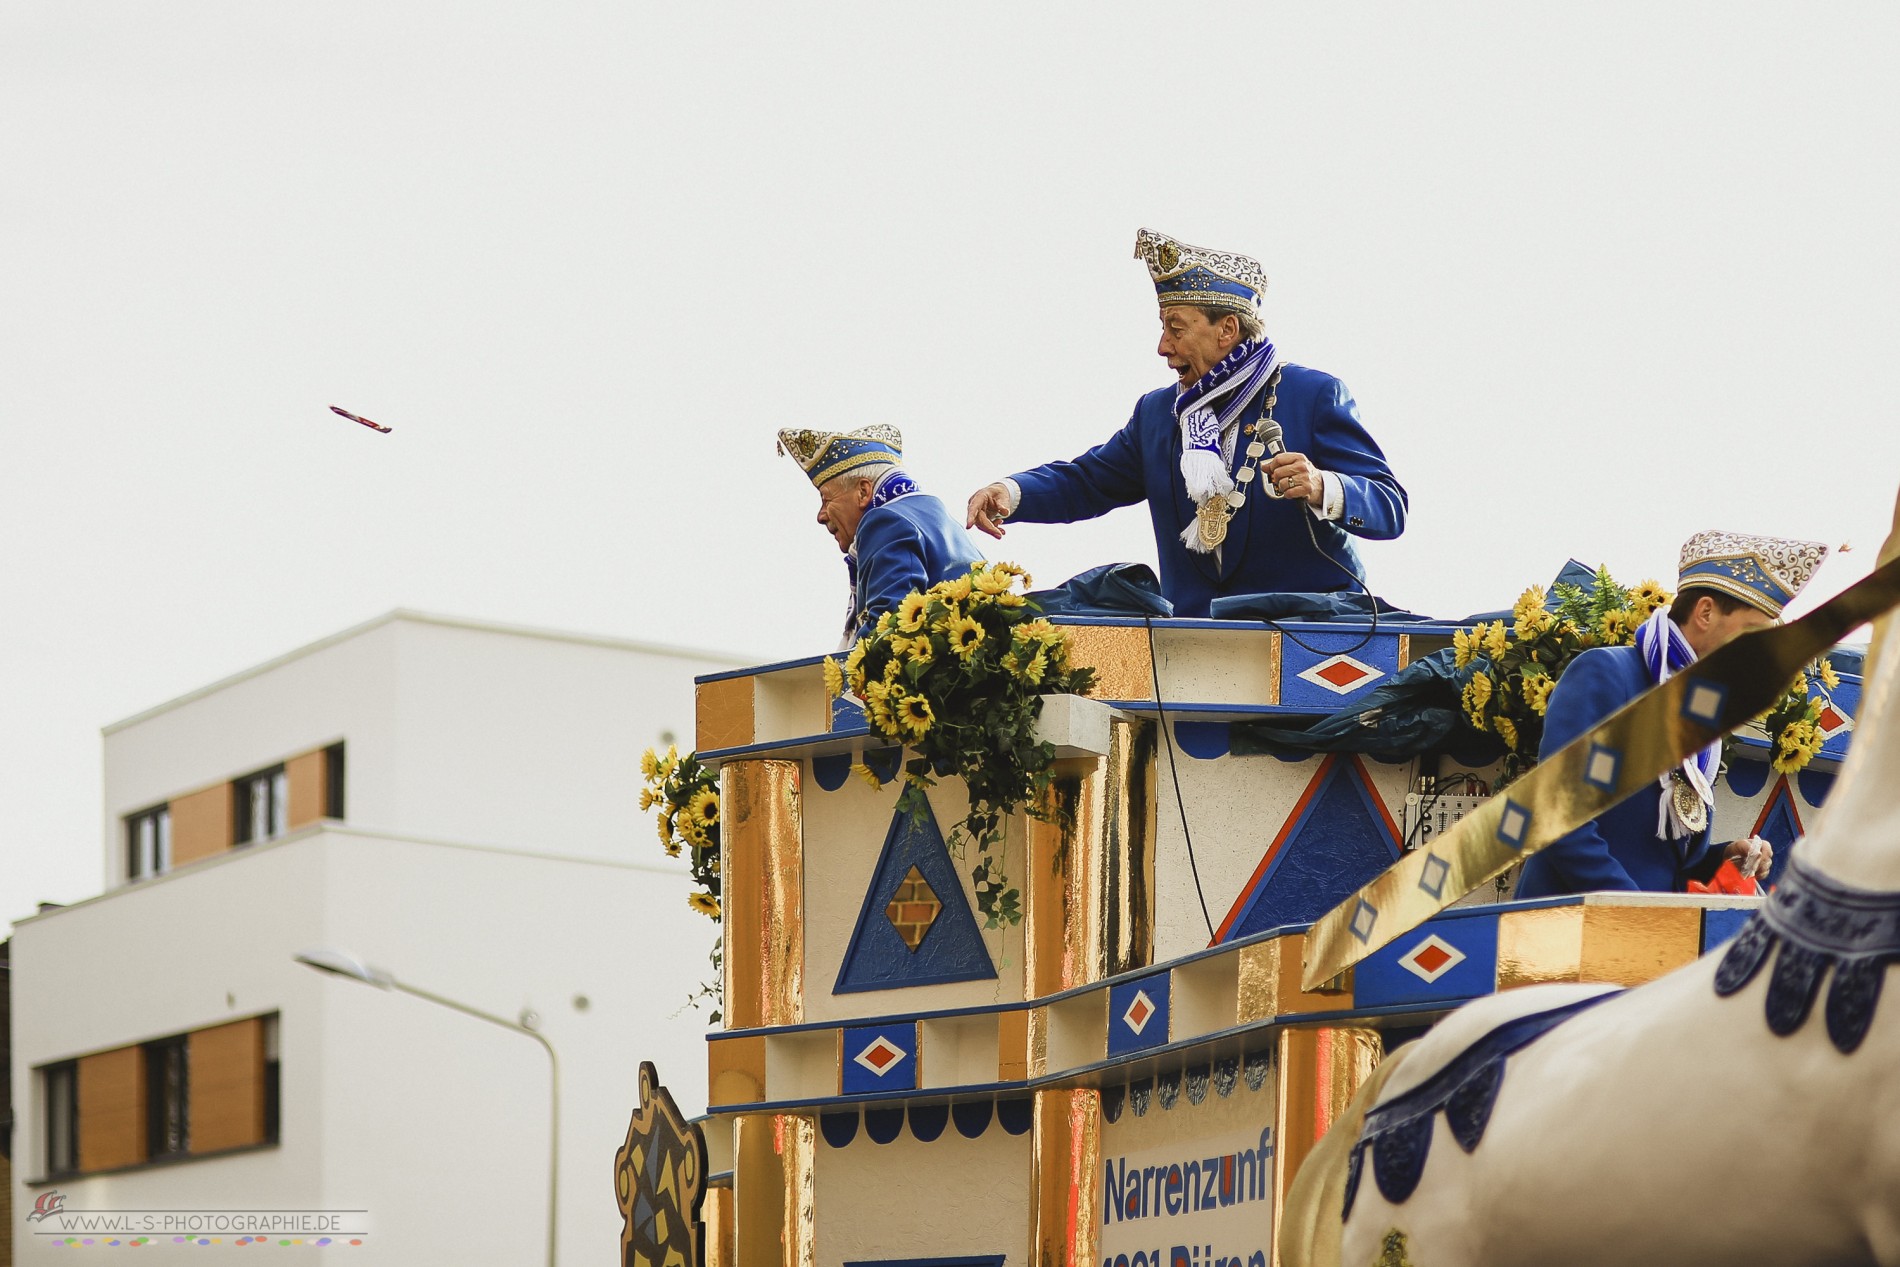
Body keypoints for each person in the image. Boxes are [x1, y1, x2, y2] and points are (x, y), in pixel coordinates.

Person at [965, 228, 1407, 618]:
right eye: (1163, 327)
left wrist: (1323, 486)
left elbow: (1390, 506)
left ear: (1227, 329)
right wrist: (1011, 492)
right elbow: (1087, 481)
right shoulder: (1157, 415)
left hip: (1305, 644)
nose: (1162, 346)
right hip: (1195, 652)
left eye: (1176, 328)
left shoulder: (1311, 396)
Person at [1514, 530, 1829, 899]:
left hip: (1650, 934)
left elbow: (1667, 864)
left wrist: (1723, 858)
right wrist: (1634, 910)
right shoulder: (1607, 673)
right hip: (1569, 928)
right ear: (1706, 612)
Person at [777, 424, 985, 645]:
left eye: (826, 499)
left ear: (864, 491)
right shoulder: (938, 517)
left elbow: (887, 630)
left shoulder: (885, 521)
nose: (821, 516)